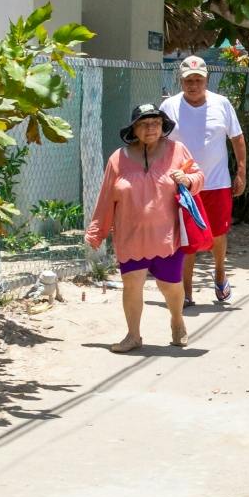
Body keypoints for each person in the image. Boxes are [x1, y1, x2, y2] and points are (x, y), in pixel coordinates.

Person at [86, 103, 204, 353]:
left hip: (167, 237)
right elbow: (106, 198)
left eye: (156, 123)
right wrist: (97, 232)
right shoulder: (118, 159)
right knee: (132, 284)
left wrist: (188, 179)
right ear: (134, 129)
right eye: (144, 123)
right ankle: (133, 335)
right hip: (129, 236)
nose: (150, 128)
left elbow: (198, 176)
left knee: (170, 286)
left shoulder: (177, 151)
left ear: (163, 127)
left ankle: (176, 320)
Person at [160, 55, 245, 306]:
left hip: (217, 183)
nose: (193, 85)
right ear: (181, 81)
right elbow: (158, 143)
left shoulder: (222, 104)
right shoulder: (169, 107)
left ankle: (219, 273)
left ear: (206, 80)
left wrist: (241, 172)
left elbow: (237, 139)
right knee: (187, 239)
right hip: (183, 185)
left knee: (218, 233)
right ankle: (186, 293)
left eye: (198, 80)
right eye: (188, 80)